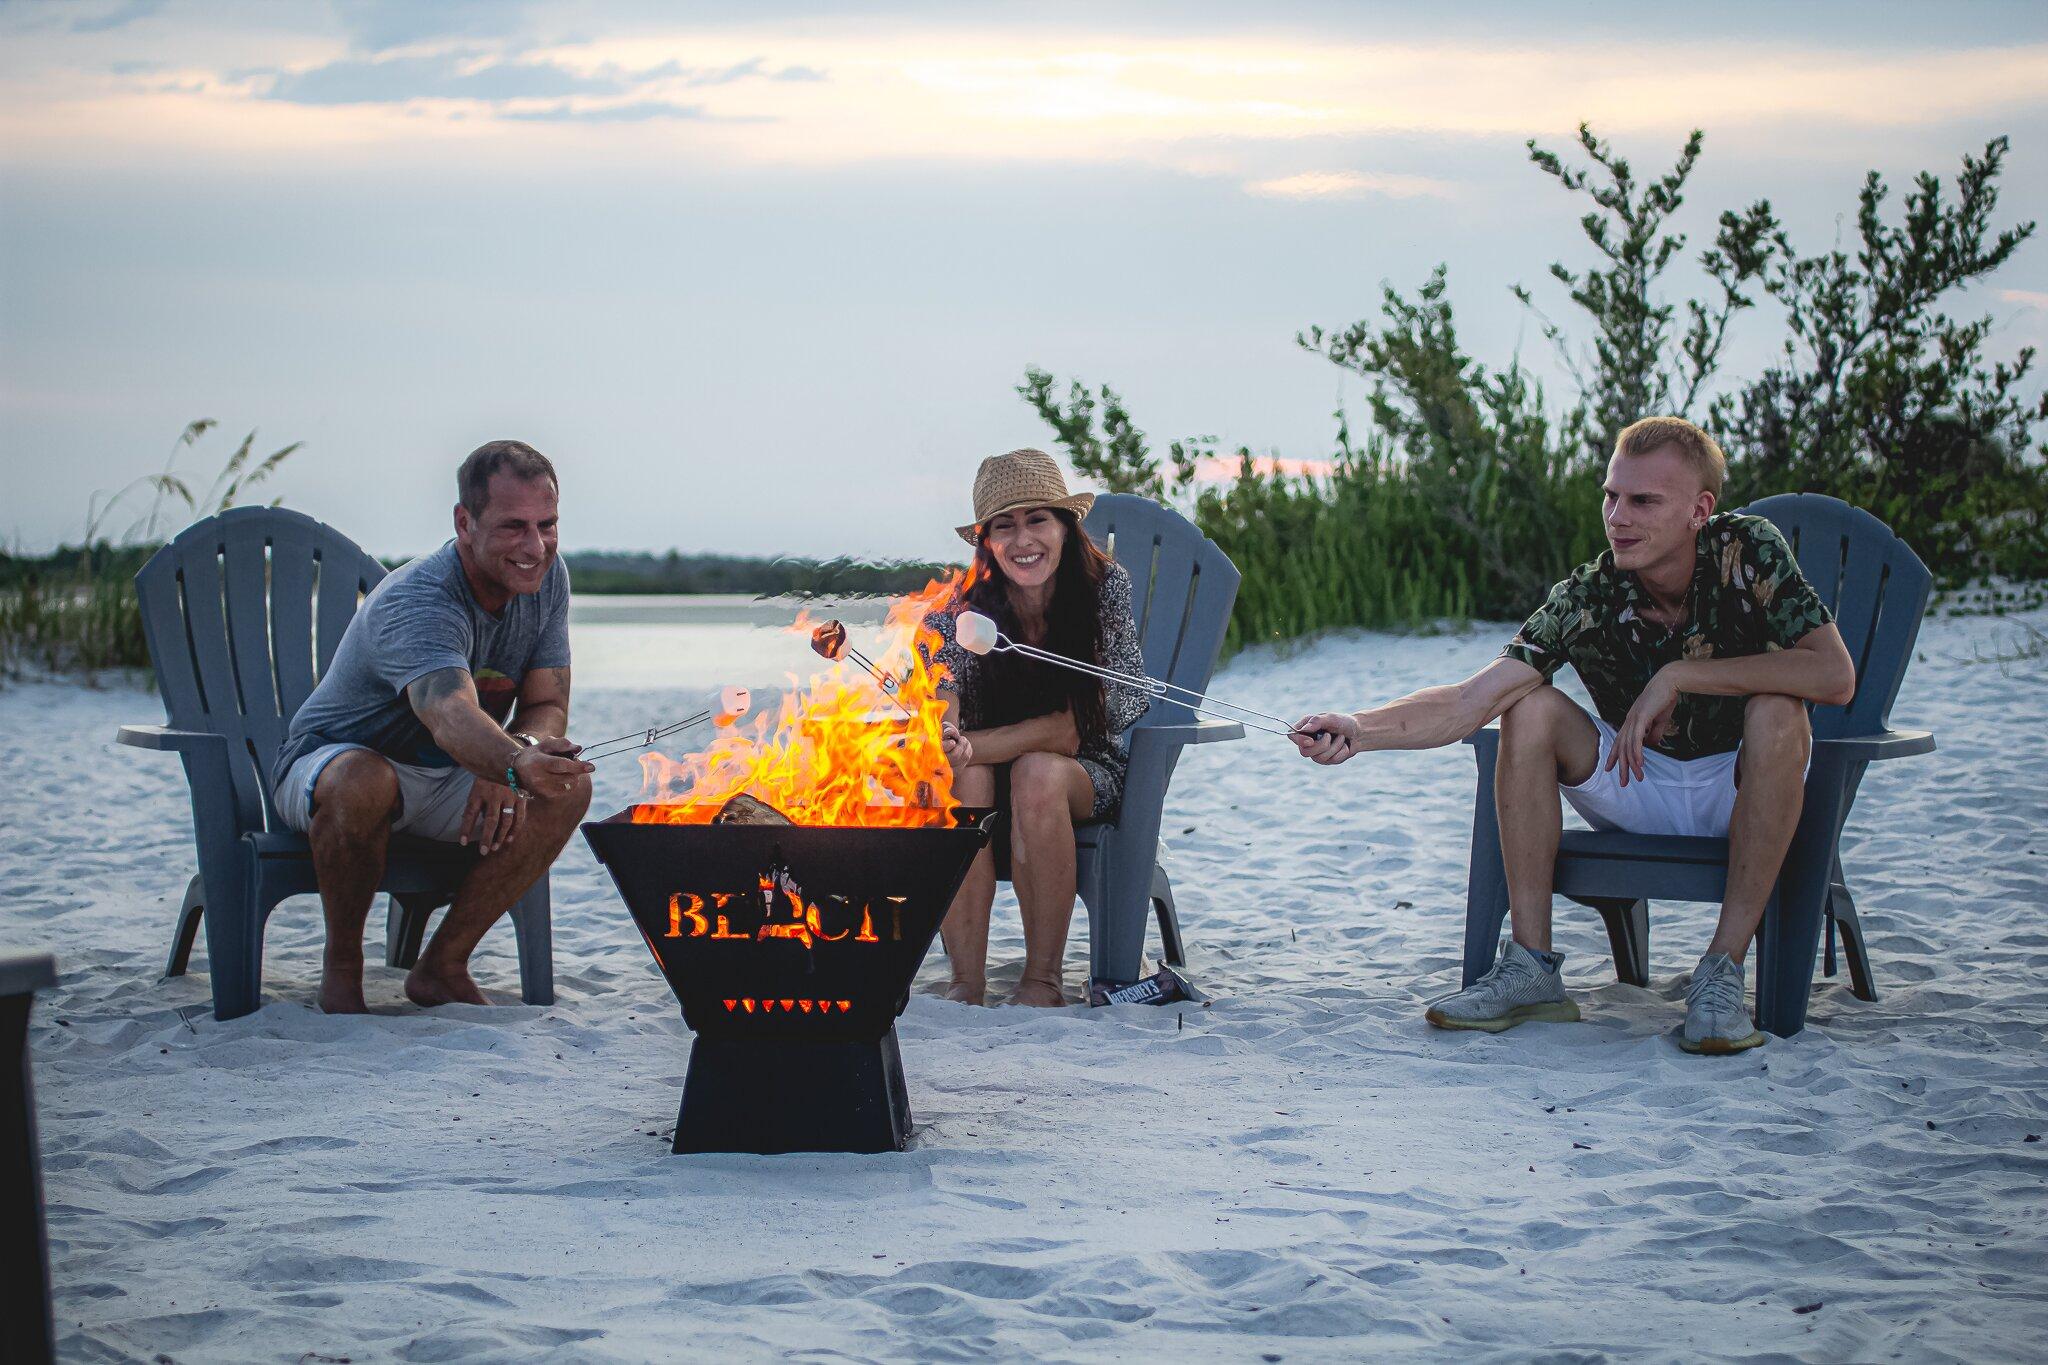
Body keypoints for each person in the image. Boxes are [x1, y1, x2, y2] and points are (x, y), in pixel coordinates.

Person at [1291, 417, 1856, 1054]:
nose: (1619, 516)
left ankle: (1721, 974)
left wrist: (1681, 674)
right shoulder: (1590, 595)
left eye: (1644, 501)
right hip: (1635, 775)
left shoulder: (1745, 552)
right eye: (1612, 496)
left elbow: (1834, 676)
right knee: (1527, 708)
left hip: (1742, 784)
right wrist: (1358, 729)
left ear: (1700, 510)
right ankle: (1533, 968)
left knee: (1780, 710)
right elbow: (1472, 699)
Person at [271, 440, 595, 1014]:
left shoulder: (548, 578)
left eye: (547, 525)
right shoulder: (422, 597)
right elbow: (448, 713)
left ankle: (442, 966)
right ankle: (343, 968)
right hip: (336, 763)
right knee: (363, 779)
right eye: (514, 526)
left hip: (448, 773)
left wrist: (518, 752)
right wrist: (507, 763)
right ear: (464, 522)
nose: (535, 545)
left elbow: (547, 702)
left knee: (569, 785)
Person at [926, 449, 1149, 1007]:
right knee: (965, 780)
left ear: (1065, 527)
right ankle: (966, 982)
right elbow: (942, 686)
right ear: (987, 543)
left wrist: (975, 746)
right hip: (988, 769)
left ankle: (1042, 980)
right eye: (1005, 526)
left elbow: (1075, 729)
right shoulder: (959, 607)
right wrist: (950, 736)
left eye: (1037, 519)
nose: (1023, 540)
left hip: (1083, 770)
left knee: (1038, 773)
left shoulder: (1103, 590)